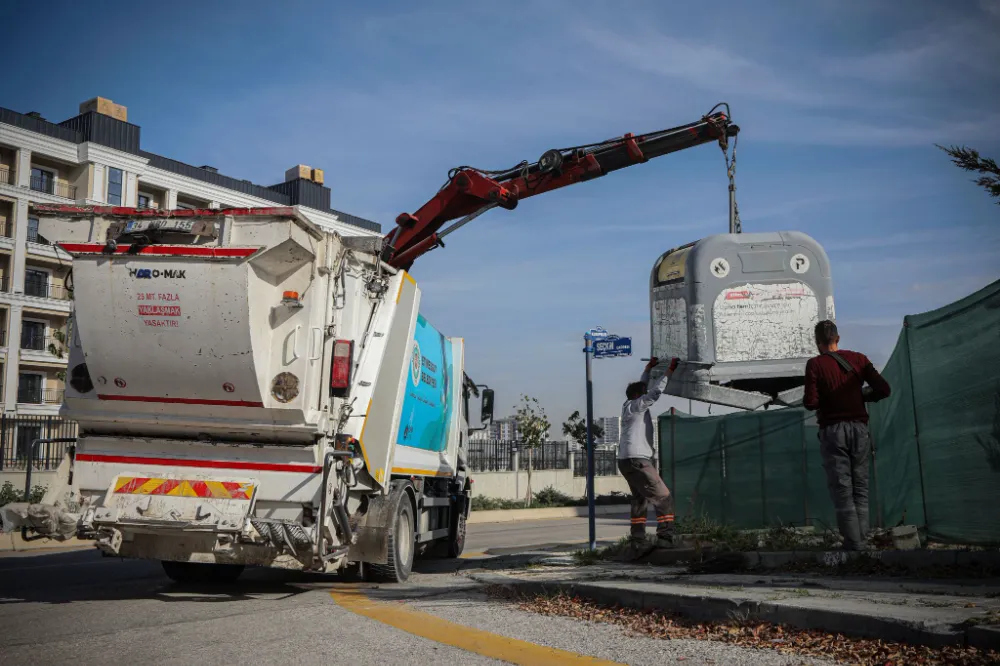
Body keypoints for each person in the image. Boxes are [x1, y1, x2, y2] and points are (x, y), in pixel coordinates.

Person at [804, 320, 891, 551]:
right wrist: (860, 397)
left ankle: (854, 544)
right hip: (859, 429)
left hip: (833, 431)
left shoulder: (815, 364)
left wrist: (829, 399)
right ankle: (861, 541)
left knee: (842, 488)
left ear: (817, 342)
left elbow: (811, 403)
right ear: (838, 339)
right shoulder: (859, 359)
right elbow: (884, 389)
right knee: (860, 486)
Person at [618, 356, 679, 551]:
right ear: (638, 396)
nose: (644, 393)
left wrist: (647, 369)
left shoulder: (628, 405)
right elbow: (654, 393)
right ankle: (665, 538)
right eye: (642, 393)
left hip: (625, 461)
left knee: (640, 499)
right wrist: (669, 371)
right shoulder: (637, 406)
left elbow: (642, 387)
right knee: (664, 497)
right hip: (638, 460)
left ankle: (637, 540)